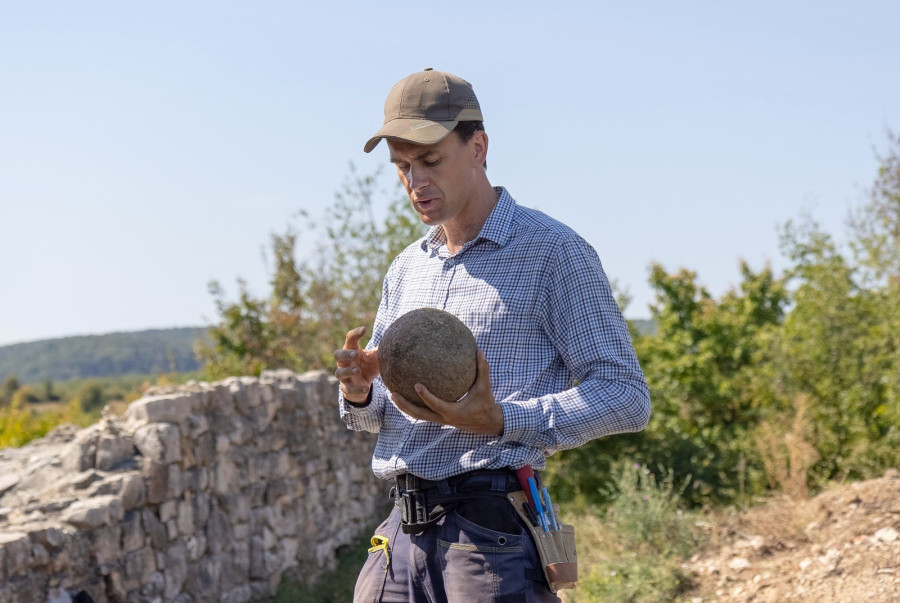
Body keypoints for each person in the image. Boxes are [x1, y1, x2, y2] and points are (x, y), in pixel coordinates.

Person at [334, 68, 650, 602]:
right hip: (395, 541)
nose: (415, 181)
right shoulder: (407, 269)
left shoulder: (554, 254)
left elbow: (626, 397)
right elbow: (374, 419)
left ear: (477, 147)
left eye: (430, 160)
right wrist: (360, 390)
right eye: (402, 166)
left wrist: (504, 420)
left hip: (488, 541)